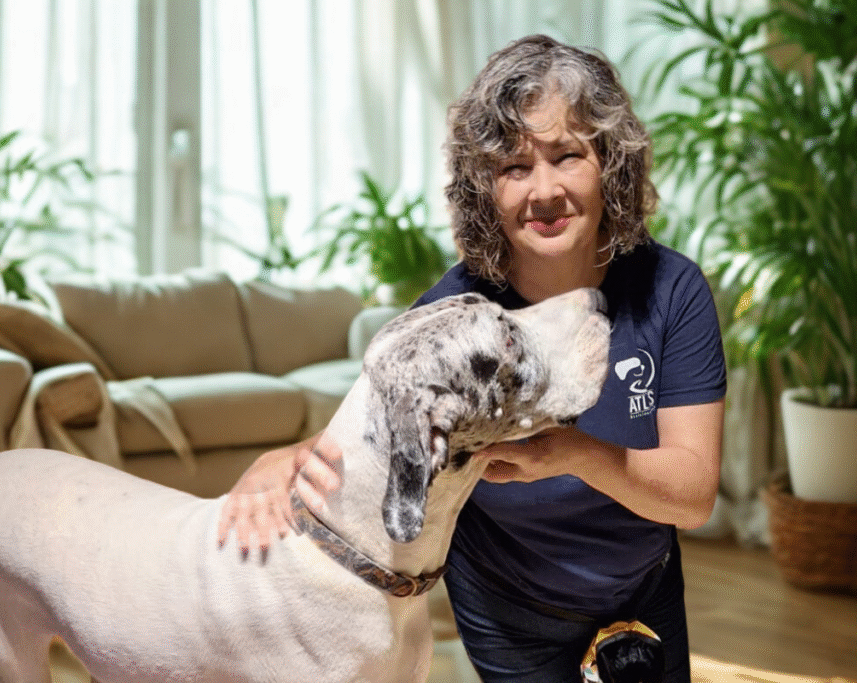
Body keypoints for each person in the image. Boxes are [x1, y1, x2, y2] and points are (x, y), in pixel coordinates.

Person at [217, 34, 726, 683]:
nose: (543, 191)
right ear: (484, 185)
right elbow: (380, 434)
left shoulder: (671, 290)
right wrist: (284, 460)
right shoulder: (452, 314)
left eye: (567, 156)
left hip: (642, 594)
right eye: (513, 166)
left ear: (610, 164)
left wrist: (569, 451)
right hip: (505, 605)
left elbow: (692, 497)